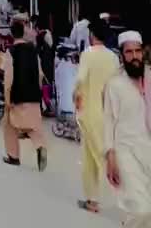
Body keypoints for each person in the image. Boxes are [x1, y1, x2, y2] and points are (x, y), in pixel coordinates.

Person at [104, 30, 151, 228]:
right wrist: (110, 156)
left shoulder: (149, 78)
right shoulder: (115, 84)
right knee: (141, 209)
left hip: (147, 151)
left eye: (137, 51)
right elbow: (108, 121)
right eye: (129, 52)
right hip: (126, 152)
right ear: (122, 55)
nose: (134, 56)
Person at [74, 17, 119, 214]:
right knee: (103, 153)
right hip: (108, 112)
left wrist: (76, 97)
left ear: (92, 35)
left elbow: (80, 79)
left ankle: (119, 197)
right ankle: (93, 199)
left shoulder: (88, 54)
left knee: (93, 157)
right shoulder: (113, 57)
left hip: (90, 112)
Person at [3, 18, 47, 171]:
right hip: (33, 95)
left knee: (9, 125)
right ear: (23, 33)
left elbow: (9, 78)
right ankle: (40, 147)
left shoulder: (11, 52)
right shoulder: (33, 50)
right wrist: (38, 91)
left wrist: (7, 99)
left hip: (18, 96)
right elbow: (40, 74)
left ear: (12, 34)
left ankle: (13, 156)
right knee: (33, 126)